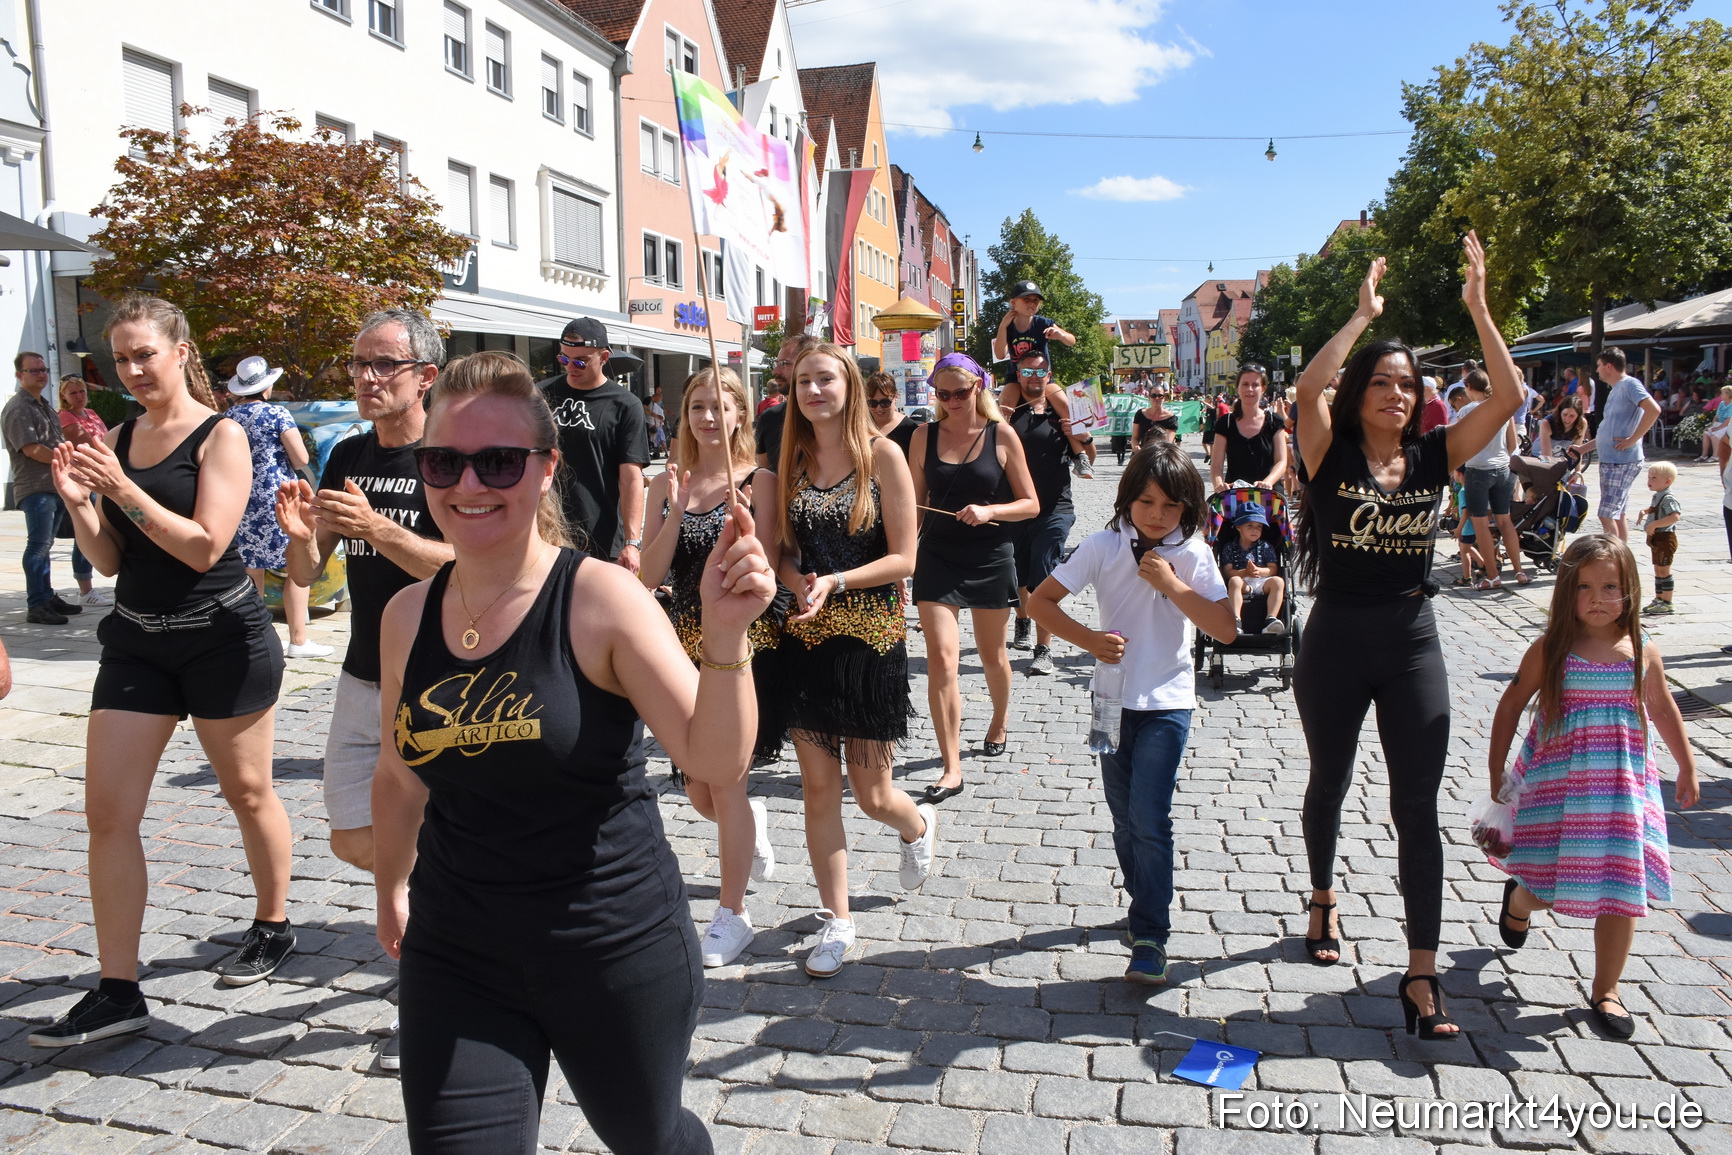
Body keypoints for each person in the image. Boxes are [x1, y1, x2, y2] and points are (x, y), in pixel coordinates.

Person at [371, 351, 773, 1152]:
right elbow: (399, 777)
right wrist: (390, 890)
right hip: (459, 947)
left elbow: (714, 760)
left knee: (648, 1138)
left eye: (499, 461)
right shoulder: (407, 614)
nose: (469, 484)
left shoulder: (599, 599)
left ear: (547, 468)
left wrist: (727, 636)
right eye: (444, 460)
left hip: (609, 944)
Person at [31, 296, 294, 1048]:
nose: (133, 369)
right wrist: (80, 505)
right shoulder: (117, 438)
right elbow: (114, 560)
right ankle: (118, 988)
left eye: (145, 352)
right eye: (120, 358)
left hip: (222, 638)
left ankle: (272, 923)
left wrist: (118, 488)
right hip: (139, 640)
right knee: (108, 814)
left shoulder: (225, 436)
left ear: (181, 351)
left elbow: (206, 546)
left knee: (247, 791)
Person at [1289, 234, 1523, 1039]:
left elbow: (1510, 395)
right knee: (1330, 780)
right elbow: (1310, 384)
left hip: (1412, 639)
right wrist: (1362, 317)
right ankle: (1322, 895)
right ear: (1360, 393)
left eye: (1408, 383)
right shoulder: (1329, 450)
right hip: (1337, 643)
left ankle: (1421, 974)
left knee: (1416, 806)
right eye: (1383, 382)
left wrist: (1479, 308)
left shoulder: (1434, 453)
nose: (1396, 393)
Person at [275, 309, 453, 1069]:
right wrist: (298, 533)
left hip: (441, 676)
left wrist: (380, 531)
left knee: (410, 838)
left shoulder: (452, 455)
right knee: (355, 835)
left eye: (384, 364)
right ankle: (461, 896)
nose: (367, 379)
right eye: (358, 365)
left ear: (426, 375)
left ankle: (436, 986)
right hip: (361, 670)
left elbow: (470, 567)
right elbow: (308, 573)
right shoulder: (345, 451)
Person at [1029, 443, 1235, 982]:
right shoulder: (1102, 545)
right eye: (1146, 502)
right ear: (1127, 500)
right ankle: (1141, 893)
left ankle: (1150, 933)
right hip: (1111, 700)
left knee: (1150, 818)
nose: (1157, 515)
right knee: (1124, 820)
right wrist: (1089, 640)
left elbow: (1226, 627)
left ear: (1188, 510)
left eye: (1171, 506)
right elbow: (1039, 603)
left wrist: (1172, 585)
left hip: (1168, 700)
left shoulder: (1193, 555)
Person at [1487, 536, 1698, 1040]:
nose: (1598, 598)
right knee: (1543, 889)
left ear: (1630, 590)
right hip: (1559, 793)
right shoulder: (1552, 649)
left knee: (1621, 893)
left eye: (1610, 587)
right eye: (1584, 587)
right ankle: (1518, 900)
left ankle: (1608, 989)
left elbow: (1664, 708)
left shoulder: (1643, 651)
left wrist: (1686, 766)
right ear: (1565, 591)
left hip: (1625, 795)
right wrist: (1498, 770)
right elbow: (1512, 704)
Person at [773, 342, 933, 979]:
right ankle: (837, 919)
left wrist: (836, 581)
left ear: (850, 388)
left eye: (825, 380)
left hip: (871, 641)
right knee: (817, 790)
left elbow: (905, 560)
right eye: (803, 380)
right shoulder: (792, 459)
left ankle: (918, 825)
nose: (813, 390)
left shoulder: (884, 456)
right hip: (806, 639)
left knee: (872, 795)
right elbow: (783, 549)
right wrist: (796, 581)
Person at [639, 366, 782, 968]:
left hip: (740, 647)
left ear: (740, 415)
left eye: (717, 407)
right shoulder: (666, 482)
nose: (705, 417)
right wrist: (673, 505)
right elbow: (646, 578)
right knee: (701, 787)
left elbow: (765, 569)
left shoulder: (759, 480)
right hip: (681, 650)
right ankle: (751, 823)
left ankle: (733, 914)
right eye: (695, 406)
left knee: (724, 783)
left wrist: (745, 520)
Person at [909, 354, 1038, 800]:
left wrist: (990, 511)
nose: (952, 401)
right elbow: (912, 505)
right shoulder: (923, 436)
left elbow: (1030, 504)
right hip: (938, 557)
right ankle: (951, 766)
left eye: (960, 392)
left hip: (989, 555)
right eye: (942, 394)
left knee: (992, 656)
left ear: (978, 388)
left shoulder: (1001, 434)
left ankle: (999, 721)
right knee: (942, 660)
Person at [223, 356, 330, 659]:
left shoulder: (229, 416)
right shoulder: (276, 414)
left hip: (242, 497)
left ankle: (255, 638)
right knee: (294, 567)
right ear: (267, 386)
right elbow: (300, 459)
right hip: (279, 498)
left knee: (251, 570)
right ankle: (298, 640)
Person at [1001, 351, 1089, 674]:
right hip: (1017, 506)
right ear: (1018, 374)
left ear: (1049, 375)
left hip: (1055, 507)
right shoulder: (1009, 412)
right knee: (1020, 572)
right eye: (1027, 371)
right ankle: (1023, 620)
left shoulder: (1060, 410)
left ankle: (1043, 648)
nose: (1034, 376)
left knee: (1042, 569)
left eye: (1040, 371)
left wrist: (1080, 435)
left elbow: (1088, 454)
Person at [540, 317, 649, 571]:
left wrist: (633, 542)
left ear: (604, 357)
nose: (571, 367)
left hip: (601, 538)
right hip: (546, 533)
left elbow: (631, 477)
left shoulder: (626, 405)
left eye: (580, 361)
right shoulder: (541, 396)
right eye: (564, 359)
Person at [4, 352, 83, 624]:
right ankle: (37, 604)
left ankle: (47, 597)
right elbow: (31, 449)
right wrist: (66, 459)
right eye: (33, 370)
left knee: (45, 545)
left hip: (54, 484)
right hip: (36, 488)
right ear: (19, 375)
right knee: (38, 546)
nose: (41, 374)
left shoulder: (44, 405)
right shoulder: (18, 408)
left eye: (43, 369)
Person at [1456, 369, 1530, 589]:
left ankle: (1492, 575)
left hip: (1478, 470)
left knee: (1480, 525)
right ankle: (1519, 571)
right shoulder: (1503, 409)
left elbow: (1462, 444)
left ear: (1469, 387)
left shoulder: (1467, 410)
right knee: (1505, 522)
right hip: (1502, 469)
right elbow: (1512, 445)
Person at [1584, 348, 1661, 543]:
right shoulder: (1616, 388)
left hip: (1621, 461)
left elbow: (1654, 409)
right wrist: (1581, 449)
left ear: (1609, 366)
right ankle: (1622, 555)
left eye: (1599, 366)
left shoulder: (1629, 384)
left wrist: (1634, 439)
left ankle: (1614, 556)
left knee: (1606, 514)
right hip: (1614, 460)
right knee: (1617, 513)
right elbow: (1608, 432)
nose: (1597, 371)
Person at [56, 374, 112, 606]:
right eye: (73, 393)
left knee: (102, 529)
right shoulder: (65, 416)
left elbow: (106, 440)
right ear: (64, 396)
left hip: (98, 476)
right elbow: (87, 443)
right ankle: (85, 589)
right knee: (87, 531)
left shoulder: (91, 414)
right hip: (82, 479)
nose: (79, 397)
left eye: (82, 392)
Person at [1209, 365, 1288, 492]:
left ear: (1263, 389)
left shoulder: (1274, 421)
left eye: (1255, 385)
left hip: (1269, 493)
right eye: (1245, 384)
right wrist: (1218, 484)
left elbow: (1281, 461)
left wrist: (1267, 482)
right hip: (1235, 493)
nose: (1249, 389)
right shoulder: (1226, 423)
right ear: (1238, 388)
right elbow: (1216, 464)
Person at [1221, 506, 1285, 633]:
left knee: (1278, 581)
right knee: (1234, 581)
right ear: (1238, 527)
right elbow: (1228, 572)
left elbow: (1273, 569)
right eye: (1249, 525)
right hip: (1243, 581)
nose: (1255, 530)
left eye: (1259, 526)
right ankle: (1236, 620)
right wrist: (1245, 572)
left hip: (1262, 581)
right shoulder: (1229, 548)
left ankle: (1270, 619)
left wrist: (1260, 571)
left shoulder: (1265, 546)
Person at [755, 333, 813, 470]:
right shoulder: (770, 418)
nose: (775, 371)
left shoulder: (833, 419)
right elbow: (764, 473)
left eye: (783, 364)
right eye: (776, 363)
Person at [990, 280, 1076, 368]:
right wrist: (1002, 326)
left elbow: (1072, 341)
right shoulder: (1007, 326)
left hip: (1042, 375)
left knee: (1053, 383)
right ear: (1013, 303)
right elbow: (1000, 355)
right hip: (1015, 376)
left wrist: (1061, 336)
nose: (1031, 303)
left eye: (1035, 300)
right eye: (1026, 299)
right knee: (1011, 383)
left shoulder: (1043, 323)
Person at [1635, 462, 1682, 615]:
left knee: (1664, 569)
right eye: (1649, 477)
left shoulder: (1668, 498)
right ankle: (1659, 598)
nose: (1650, 480)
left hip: (1665, 538)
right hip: (1656, 538)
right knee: (1657, 568)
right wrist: (1645, 511)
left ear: (1667, 481)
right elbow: (1656, 509)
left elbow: (1675, 516)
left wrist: (1655, 524)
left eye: (1654, 478)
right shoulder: (1658, 496)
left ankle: (1667, 602)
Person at [865, 370, 919, 455]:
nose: (879, 408)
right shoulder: (861, 426)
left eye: (885, 403)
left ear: (896, 397)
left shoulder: (910, 430)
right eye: (873, 403)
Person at [1537, 397, 1588, 461]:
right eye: (1565, 414)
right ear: (1560, 412)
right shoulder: (1547, 423)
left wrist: (1578, 470)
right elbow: (1547, 457)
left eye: (1572, 416)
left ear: (1578, 416)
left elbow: (1577, 450)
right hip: (1539, 457)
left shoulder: (1582, 423)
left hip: (1560, 458)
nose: (1567, 419)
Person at [1134, 379, 1180, 449]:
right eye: (1153, 395)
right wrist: (1135, 446)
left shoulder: (1171, 418)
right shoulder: (1140, 414)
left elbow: (1168, 442)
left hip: (1163, 451)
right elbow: (1134, 438)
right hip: (1142, 451)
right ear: (1149, 397)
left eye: (1160, 396)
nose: (1157, 398)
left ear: (1164, 398)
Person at [1698, 384, 1732, 470]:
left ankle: (1715, 456)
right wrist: (1712, 426)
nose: (1721, 395)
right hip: (1719, 424)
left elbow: (1728, 420)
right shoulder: (1721, 403)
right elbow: (1716, 416)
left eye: (1723, 393)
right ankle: (1704, 455)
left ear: (1729, 395)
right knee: (1706, 433)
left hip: (1727, 426)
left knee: (1714, 434)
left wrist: (1718, 428)